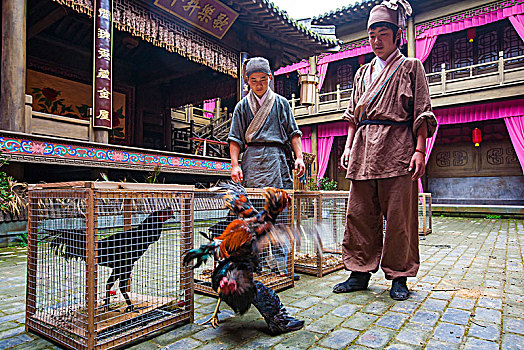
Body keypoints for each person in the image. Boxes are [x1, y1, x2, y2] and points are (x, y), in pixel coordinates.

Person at [333, 0, 438, 301]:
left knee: (399, 216)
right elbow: (353, 115)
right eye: (371, 35)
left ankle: (399, 275)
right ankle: (358, 271)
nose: (376, 41)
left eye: (382, 34)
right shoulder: (362, 73)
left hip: (398, 147)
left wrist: (419, 150)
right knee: (359, 214)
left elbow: (421, 111)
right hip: (364, 148)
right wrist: (349, 145)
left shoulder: (411, 67)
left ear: (396, 35)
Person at [224, 56, 305, 333]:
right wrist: (235, 165)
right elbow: (235, 139)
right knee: (249, 218)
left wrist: (299, 157)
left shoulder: (281, 103)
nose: (258, 84)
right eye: (253, 80)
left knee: (278, 216)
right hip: (251, 160)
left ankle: (282, 266)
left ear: (270, 79)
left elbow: (294, 134)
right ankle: (250, 266)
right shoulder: (241, 107)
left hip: (275, 160)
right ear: (247, 81)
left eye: (263, 79)